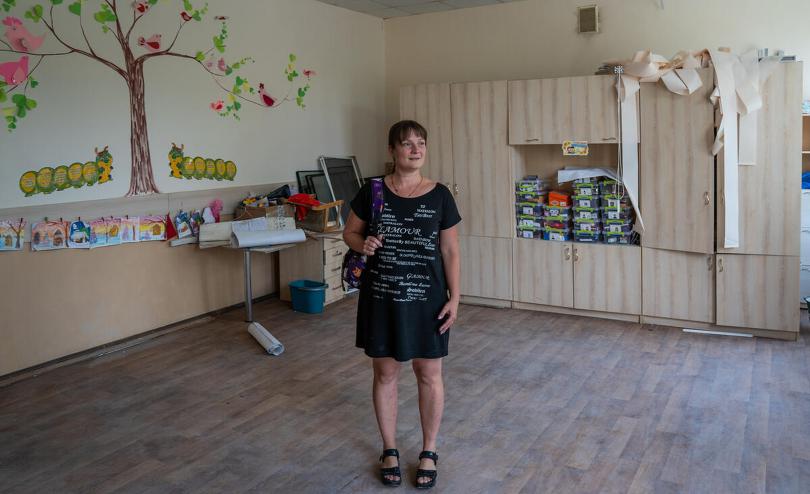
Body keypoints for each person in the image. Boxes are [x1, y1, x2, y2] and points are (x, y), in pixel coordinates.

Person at [343, 120, 461, 489]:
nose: (415, 149)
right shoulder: (373, 191)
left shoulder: (440, 195)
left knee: (430, 375)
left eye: (420, 143)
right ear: (392, 150)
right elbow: (349, 232)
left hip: (427, 303)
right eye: (406, 143)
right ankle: (389, 448)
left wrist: (455, 298)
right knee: (385, 375)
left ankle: (429, 449)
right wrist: (360, 244)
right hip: (382, 301)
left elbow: (450, 250)